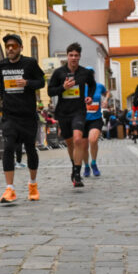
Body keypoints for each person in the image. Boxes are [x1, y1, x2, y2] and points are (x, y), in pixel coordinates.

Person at [0, 33, 45, 203]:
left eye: (14, 46)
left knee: (30, 149)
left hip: (28, 115)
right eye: (8, 46)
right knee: (9, 147)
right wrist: (0, 96)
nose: (10, 49)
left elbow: (41, 82)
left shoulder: (30, 63)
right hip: (10, 115)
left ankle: (33, 184)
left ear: (20, 48)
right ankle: (10, 189)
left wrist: (27, 83)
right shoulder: (2, 64)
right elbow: (1, 83)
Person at [47, 42, 96, 187]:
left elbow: (92, 85)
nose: (73, 58)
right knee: (69, 143)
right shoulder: (59, 73)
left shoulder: (85, 72)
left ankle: (77, 174)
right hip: (63, 112)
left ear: (79, 57)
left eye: (76, 55)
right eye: (71, 55)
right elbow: (50, 91)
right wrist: (63, 87)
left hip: (79, 111)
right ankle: (74, 166)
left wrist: (90, 96)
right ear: (67, 56)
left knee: (78, 140)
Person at [81, 67, 107, 178]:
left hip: (96, 119)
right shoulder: (80, 87)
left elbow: (107, 93)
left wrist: (105, 100)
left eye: (91, 74)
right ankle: (86, 166)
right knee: (83, 146)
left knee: (93, 140)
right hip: (82, 119)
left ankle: (94, 163)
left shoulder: (99, 86)